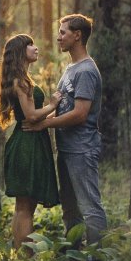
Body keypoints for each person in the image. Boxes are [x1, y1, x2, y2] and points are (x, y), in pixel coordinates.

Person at [24, 14, 108, 245]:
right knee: (70, 209)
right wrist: (39, 118)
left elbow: (80, 113)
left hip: (82, 149)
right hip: (67, 148)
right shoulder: (71, 68)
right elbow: (64, 108)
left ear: (77, 35)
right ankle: (72, 259)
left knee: (90, 207)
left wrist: (45, 123)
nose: (59, 37)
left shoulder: (87, 71)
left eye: (63, 32)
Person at [0, 33, 58, 253]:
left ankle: (21, 259)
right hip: (27, 146)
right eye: (30, 44)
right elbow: (31, 116)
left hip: (28, 142)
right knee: (25, 208)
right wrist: (53, 105)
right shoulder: (21, 81)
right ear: (21, 51)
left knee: (23, 207)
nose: (35, 47)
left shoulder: (22, 79)